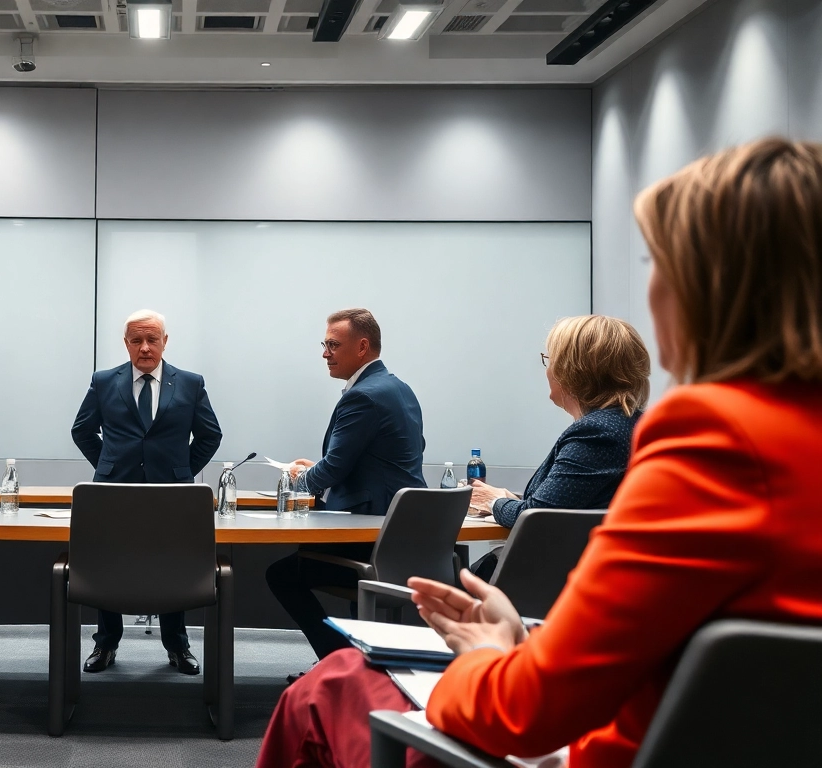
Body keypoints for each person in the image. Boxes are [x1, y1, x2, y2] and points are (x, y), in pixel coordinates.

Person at [255, 138, 822, 768]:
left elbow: (525, 713)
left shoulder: (713, 443)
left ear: (710, 288)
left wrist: (483, 656)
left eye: (657, 263)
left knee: (329, 687)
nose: (654, 290)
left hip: (603, 744)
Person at [265, 308, 427, 665]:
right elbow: (385, 459)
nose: (325, 353)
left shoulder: (362, 396)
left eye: (333, 345)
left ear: (363, 347)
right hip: (400, 538)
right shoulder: (399, 388)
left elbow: (335, 468)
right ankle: (353, 660)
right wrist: (318, 468)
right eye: (325, 344)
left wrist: (298, 478)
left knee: (280, 575)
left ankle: (339, 661)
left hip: (366, 540)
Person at [70, 308, 223, 675]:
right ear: (125, 343)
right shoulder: (105, 380)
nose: (144, 347)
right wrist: (107, 464)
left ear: (164, 341)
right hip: (112, 492)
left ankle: (177, 646)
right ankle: (106, 644)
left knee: (173, 564)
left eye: (152, 339)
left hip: (172, 493)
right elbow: (82, 430)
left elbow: (210, 435)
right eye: (136, 340)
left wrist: (181, 467)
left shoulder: (190, 382)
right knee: (109, 562)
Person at [468, 314, 650, 580]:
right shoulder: (635, 425)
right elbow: (575, 503)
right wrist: (512, 500)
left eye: (550, 360)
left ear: (572, 371)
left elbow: (538, 517)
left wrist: (493, 501)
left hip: (559, 583)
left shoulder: (595, 433)